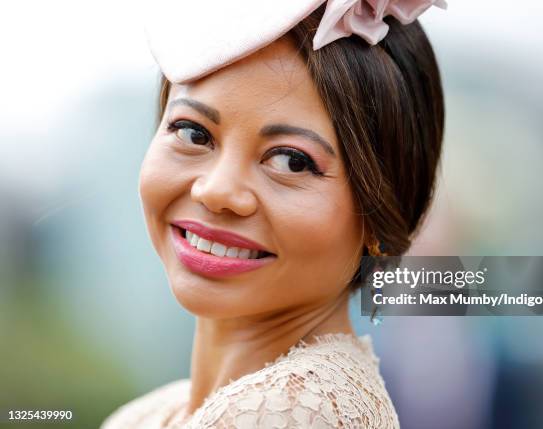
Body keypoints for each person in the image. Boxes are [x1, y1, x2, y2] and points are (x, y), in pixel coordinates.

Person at [101, 0, 446, 427]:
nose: (217, 191)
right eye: (193, 132)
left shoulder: (296, 411)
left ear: (381, 212)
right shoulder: (146, 415)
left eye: (291, 161)